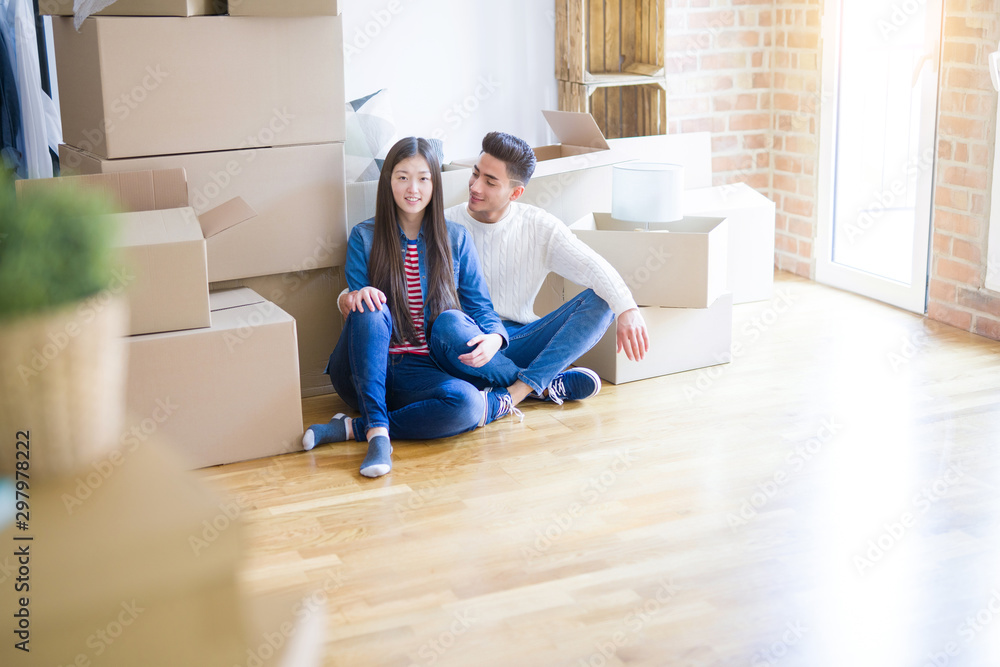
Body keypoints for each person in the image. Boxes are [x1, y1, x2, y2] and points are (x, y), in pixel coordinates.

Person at [303, 137, 519, 478]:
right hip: (364, 371)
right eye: (402, 177)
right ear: (388, 181)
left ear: (434, 183)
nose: (412, 189)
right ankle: (378, 436)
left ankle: (357, 429)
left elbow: (480, 307)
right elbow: (356, 312)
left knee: (466, 403)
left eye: (422, 178)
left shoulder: (456, 238)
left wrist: (494, 336)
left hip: (421, 371)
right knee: (370, 305)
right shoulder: (364, 237)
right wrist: (354, 296)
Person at [429, 131, 650, 408]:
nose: (475, 186)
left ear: (516, 193)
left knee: (605, 299)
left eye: (490, 182)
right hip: (469, 343)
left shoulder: (538, 226)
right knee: (448, 325)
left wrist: (628, 309)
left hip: (520, 340)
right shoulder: (443, 224)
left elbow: (593, 266)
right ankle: (542, 387)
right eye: (475, 174)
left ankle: (518, 390)